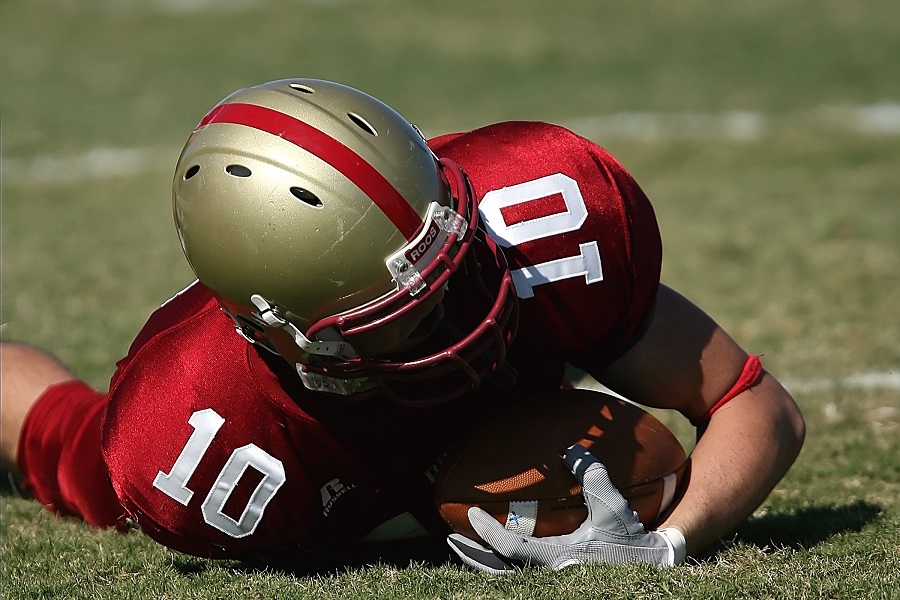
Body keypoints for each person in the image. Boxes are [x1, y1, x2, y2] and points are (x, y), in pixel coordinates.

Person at [0, 78, 805, 572]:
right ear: (288, 337)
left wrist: (664, 548)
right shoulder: (197, 439)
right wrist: (436, 509)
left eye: (449, 266)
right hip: (309, 438)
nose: (458, 315)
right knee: (69, 442)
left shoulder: (535, 218)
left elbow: (754, 402)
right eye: (401, 315)